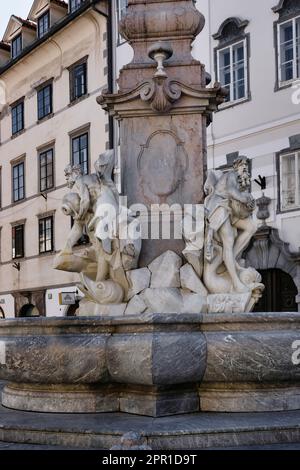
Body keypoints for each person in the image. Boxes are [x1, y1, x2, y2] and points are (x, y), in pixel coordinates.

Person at [204, 156, 257, 293]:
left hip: (231, 211)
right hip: (219, 206)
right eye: (242, 166)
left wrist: (248, 203)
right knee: (228, 240)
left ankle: (230, 259)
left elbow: (238, 202)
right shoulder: (231, 175)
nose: (244, 168)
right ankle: (236, 282)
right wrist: (246, 198)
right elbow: (232, 192)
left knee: (251, 227)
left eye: (246, 166)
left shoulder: (241, 182)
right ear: (236, 167)